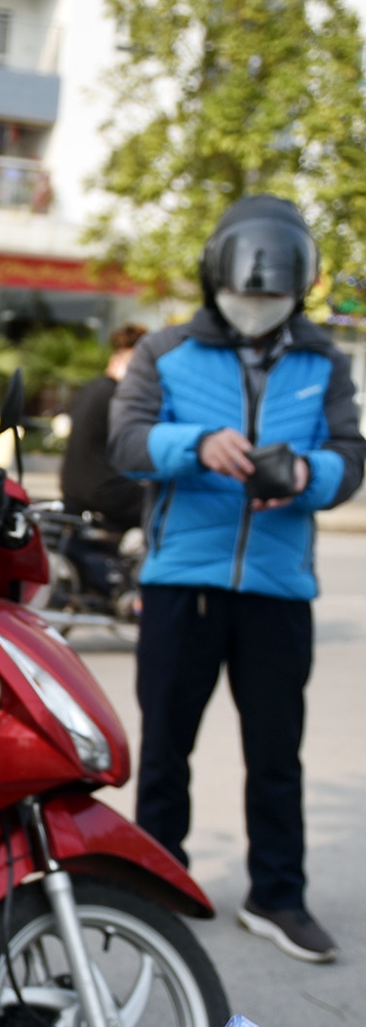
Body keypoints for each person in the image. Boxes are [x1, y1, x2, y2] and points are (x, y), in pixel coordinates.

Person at [109, 194, 365, 964]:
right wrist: (195, 446)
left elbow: (352, 457)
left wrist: (307, 474)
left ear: (299, 290)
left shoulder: (326, 361)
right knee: (167, 747)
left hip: (279, 589)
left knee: (276, 750)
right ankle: (160, 879)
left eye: (274, 296)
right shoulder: (166, 351)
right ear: (217, 279)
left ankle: (277, 895)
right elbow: (125, 440)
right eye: (247, 292)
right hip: (181, 579)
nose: (258, 307)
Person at [60, 322, 148, 530]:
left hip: (72, 487)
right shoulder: (119, 396)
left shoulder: (91, 388)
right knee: (167, 505)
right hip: (105, 492)